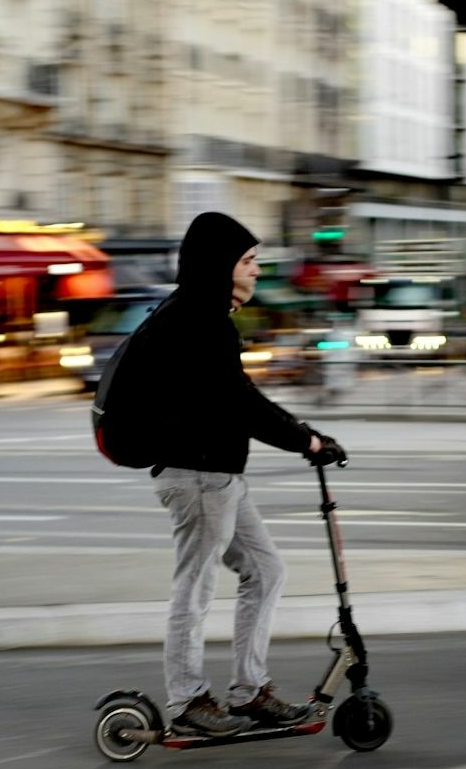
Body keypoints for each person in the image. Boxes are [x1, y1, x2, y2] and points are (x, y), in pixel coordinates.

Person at [126, 211, 345, 737]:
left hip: (217, 475)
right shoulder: (197, 322)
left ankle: (249, 691)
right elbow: (240, 407)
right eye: (247, 261)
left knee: (265, 570)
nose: (257, 270)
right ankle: (187, 700)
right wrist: (305, 441)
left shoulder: (203, 318)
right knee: (196, 587)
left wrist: (302, 432)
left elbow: (239, 397)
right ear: (219, 265)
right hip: (197, 475)